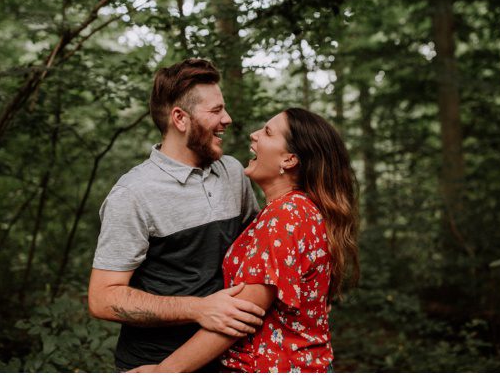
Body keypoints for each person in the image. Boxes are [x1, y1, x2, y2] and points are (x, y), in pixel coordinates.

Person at [132, 107, 360, 373]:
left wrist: (163, 372)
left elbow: (240, 315)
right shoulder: (297, 210)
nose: (254, 135)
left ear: (288, 160)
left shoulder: (285, 216)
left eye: (267, 132)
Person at [88, 58, 265, 372]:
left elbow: (257, 253)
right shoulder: (133, 194)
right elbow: (102, 298)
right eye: (215, 111)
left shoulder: (233, 172)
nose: (227, 119)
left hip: (230, 358)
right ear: (180, 119)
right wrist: (198, 309)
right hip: (154, 365)